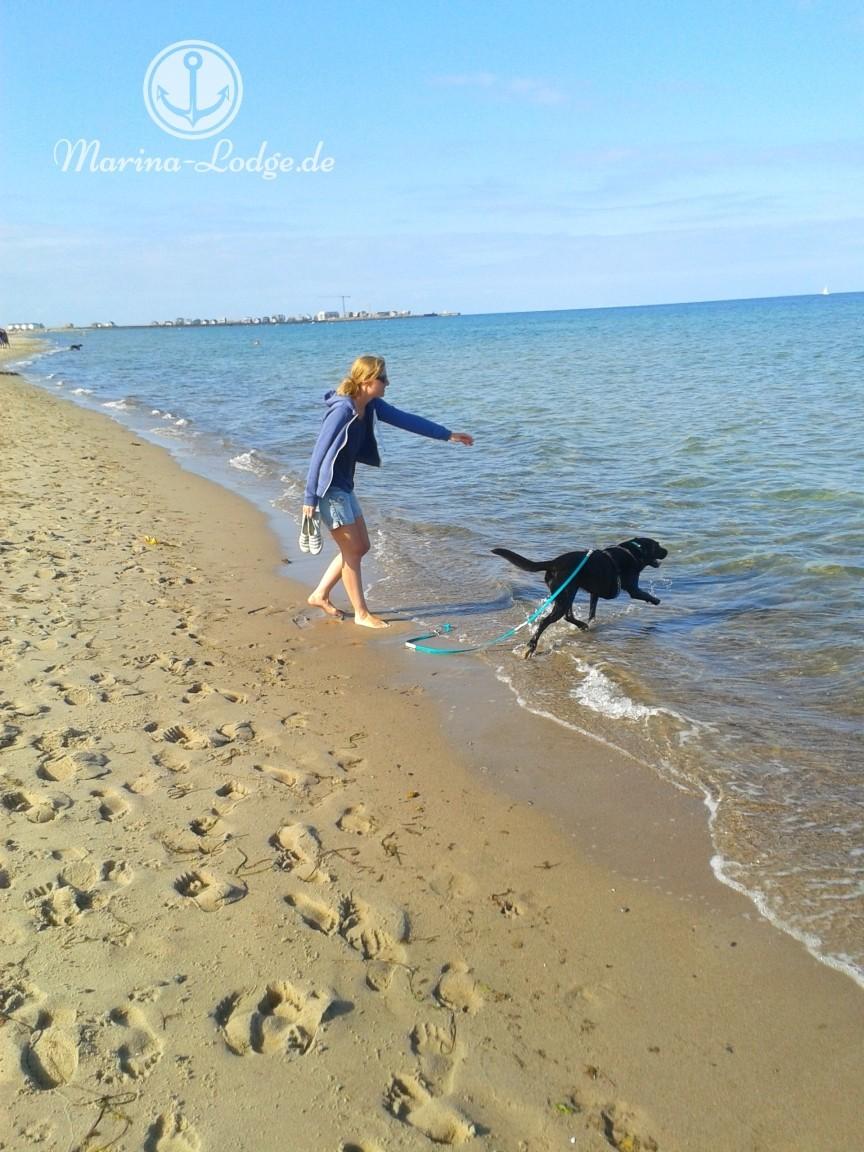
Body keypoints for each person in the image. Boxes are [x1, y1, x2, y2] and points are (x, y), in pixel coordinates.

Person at [302, 354, 474, 628]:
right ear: (368, 380)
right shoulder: (342, 410)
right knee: (353, 550)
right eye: (384, 378)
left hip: (345, 487)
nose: (388, 383)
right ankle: (361, 614)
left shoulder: (370, 406)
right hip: (329, 490)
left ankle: (319, 594)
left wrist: (448, 434)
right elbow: (318, 453)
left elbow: (406, 420)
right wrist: (309, 498)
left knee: (361, 547)